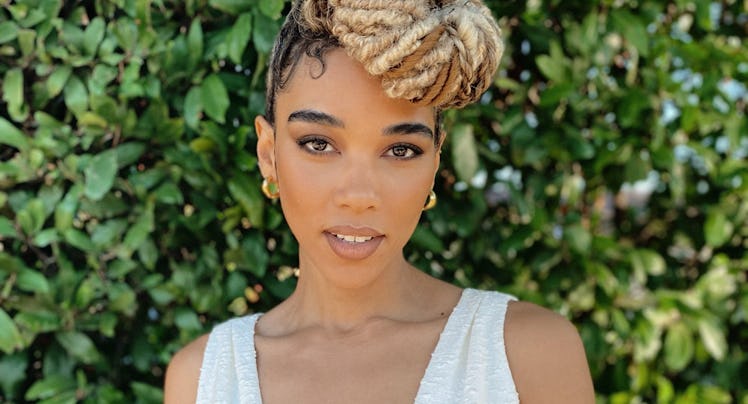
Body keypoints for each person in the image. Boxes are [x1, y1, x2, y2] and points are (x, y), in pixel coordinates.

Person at [164, 0, 595, 402]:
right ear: (268, 154)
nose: (358, 197)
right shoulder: (201, 379)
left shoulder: (529, 356)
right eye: (318, 144)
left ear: (435, 161)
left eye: (401, 150)